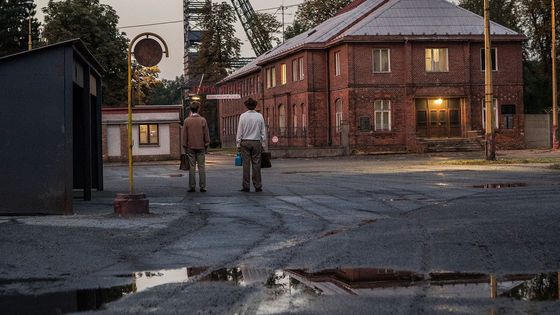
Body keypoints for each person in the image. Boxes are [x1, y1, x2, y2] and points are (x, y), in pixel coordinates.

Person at [236, 98, 267, 192]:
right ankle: (258, 185)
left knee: (246, 164)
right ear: (255, 106)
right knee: (256, 164)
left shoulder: (243, 116)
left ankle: (246, 185)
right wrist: (263, 143)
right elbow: (263, 131)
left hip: (245, 142)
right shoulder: (259, 116)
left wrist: (238, 143)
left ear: (246, 106)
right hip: (256, 141)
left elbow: (239, 131)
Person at [182, 101, 210, 192]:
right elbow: (206, 134)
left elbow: (184, 136)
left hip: (190, 147)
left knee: (192, 167)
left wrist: (185, 146)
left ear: (190, 109)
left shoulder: (186, 121)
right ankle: (203, 186)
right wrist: (206, 144)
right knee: (201, 166)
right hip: (201, 146)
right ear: (198, 109)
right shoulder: (203, 120)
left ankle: (192, 186)